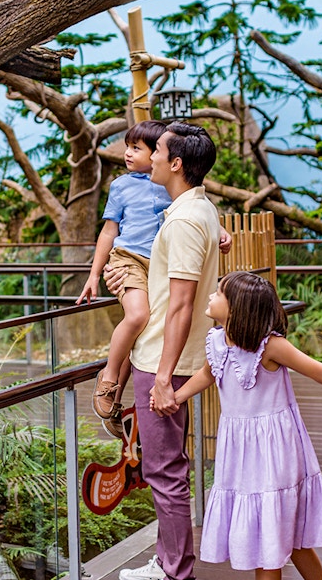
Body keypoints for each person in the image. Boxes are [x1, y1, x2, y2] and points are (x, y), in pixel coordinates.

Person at [165, 271, 322, 580]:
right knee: (286, 536)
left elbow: (319, 372)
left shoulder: (269, 346)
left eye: (219, 294)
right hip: (240, 452)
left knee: (268, 536)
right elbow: (207, 375)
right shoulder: (217, 341)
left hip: (274, 451)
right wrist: (176, 397)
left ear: (237, 309)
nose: (211, 297)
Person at [113, 122, 220, 580]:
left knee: (164, 471)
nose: (150, 158)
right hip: (176, 358)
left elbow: (180, 305)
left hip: (164, 360)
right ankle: (168, 561)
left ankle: (176, 571)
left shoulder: (182, 221)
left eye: (157, 151)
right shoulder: (201, 210)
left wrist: (161, 377)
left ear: (176, 163)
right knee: (168, 466)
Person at [77, 121, 231, 439]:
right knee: (137, 316)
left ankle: (118, 401)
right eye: (128, 146)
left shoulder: (173, 187)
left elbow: (195, 218)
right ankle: (108, 379)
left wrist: (220, 231)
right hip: (128, 260)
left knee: (146, 325)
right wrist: (94, 274)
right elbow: (109, 231)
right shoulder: (122, 186)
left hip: (158, 264)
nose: (128, 153)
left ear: (168, 161)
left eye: (140, 148)